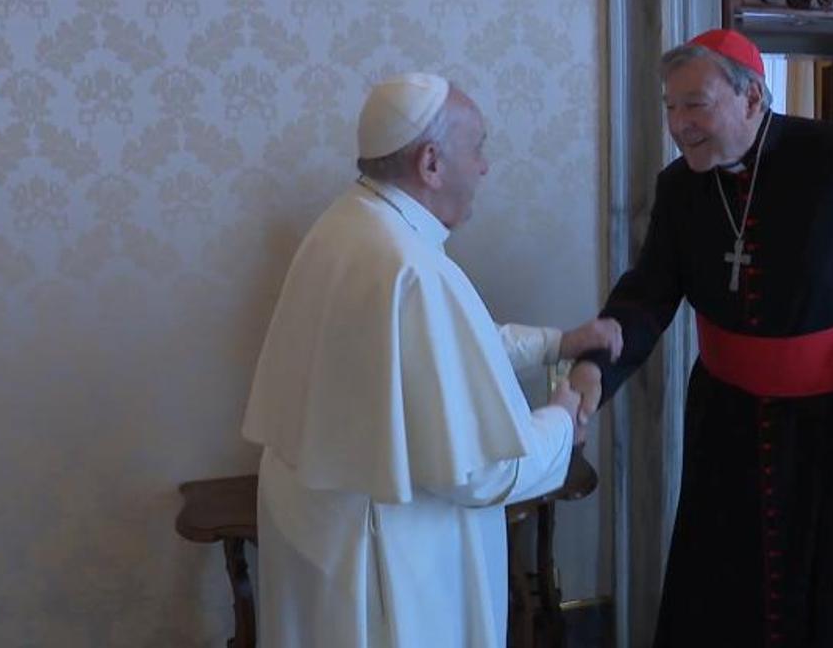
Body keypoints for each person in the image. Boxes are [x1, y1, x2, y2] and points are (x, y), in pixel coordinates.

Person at [568, 30, 833, 647]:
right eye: (670, 106)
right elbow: (647, 293)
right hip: (727, 418)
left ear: (751, 99)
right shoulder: (680, 187)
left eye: (695, 104)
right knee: (725, 570)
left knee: (828, 575)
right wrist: (593, 370)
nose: (678, 123)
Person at [241, 72, 619, 647]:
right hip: (390, 549)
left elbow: (438, 353)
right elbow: (481, 471)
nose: (486, 167)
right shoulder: (411, 266)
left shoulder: (349, 224)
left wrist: (554, 343)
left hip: (319, 530)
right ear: (432, 164)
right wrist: (562, 419)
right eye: (479, 149)